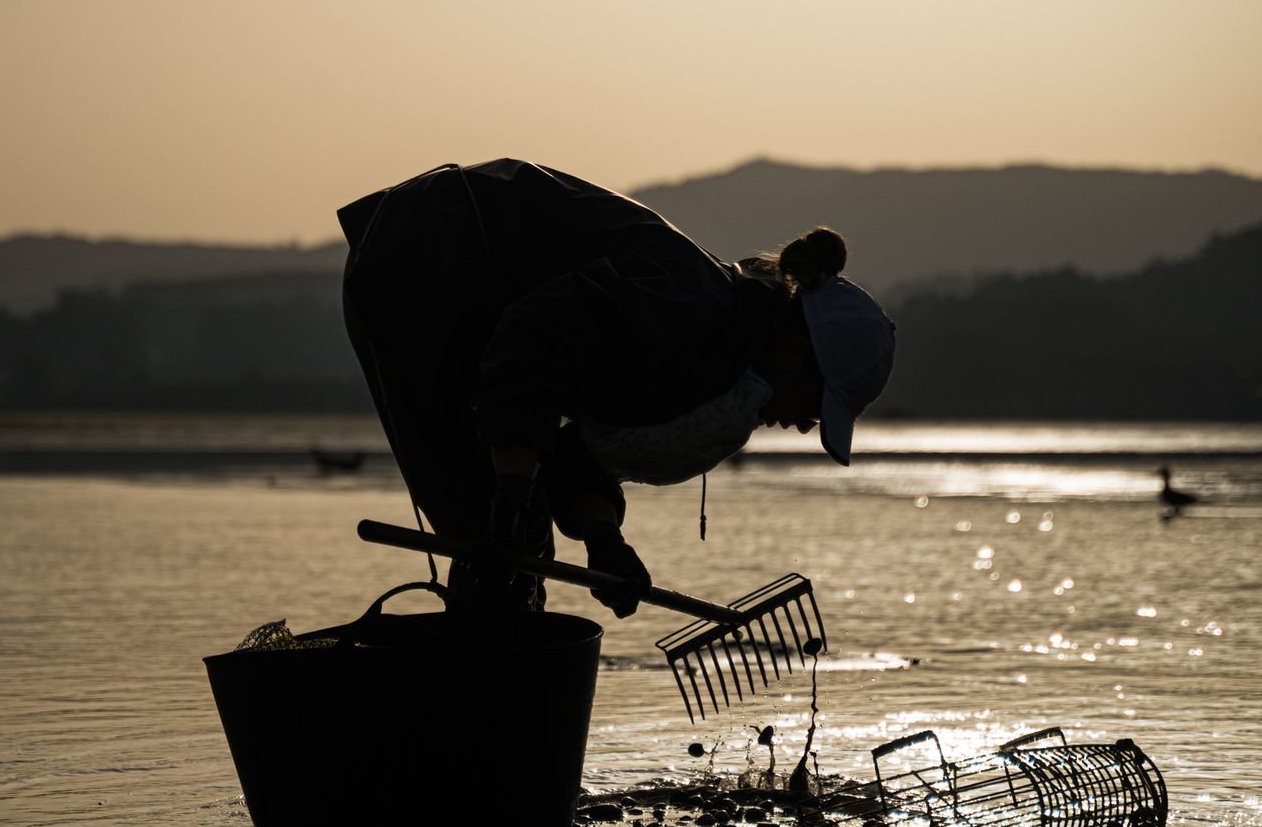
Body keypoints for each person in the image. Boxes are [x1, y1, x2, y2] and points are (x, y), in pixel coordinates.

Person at [337, 158, 895, 617]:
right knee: (491, 539)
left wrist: (605, 539)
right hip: (428, 251)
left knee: (511, 549)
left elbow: (578, 451)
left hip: (448, 268)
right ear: (797, 355)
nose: (801, 425)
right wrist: (507, 503)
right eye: (815, 409)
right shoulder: (691, 311)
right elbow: (531, 346)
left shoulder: (718, 353)